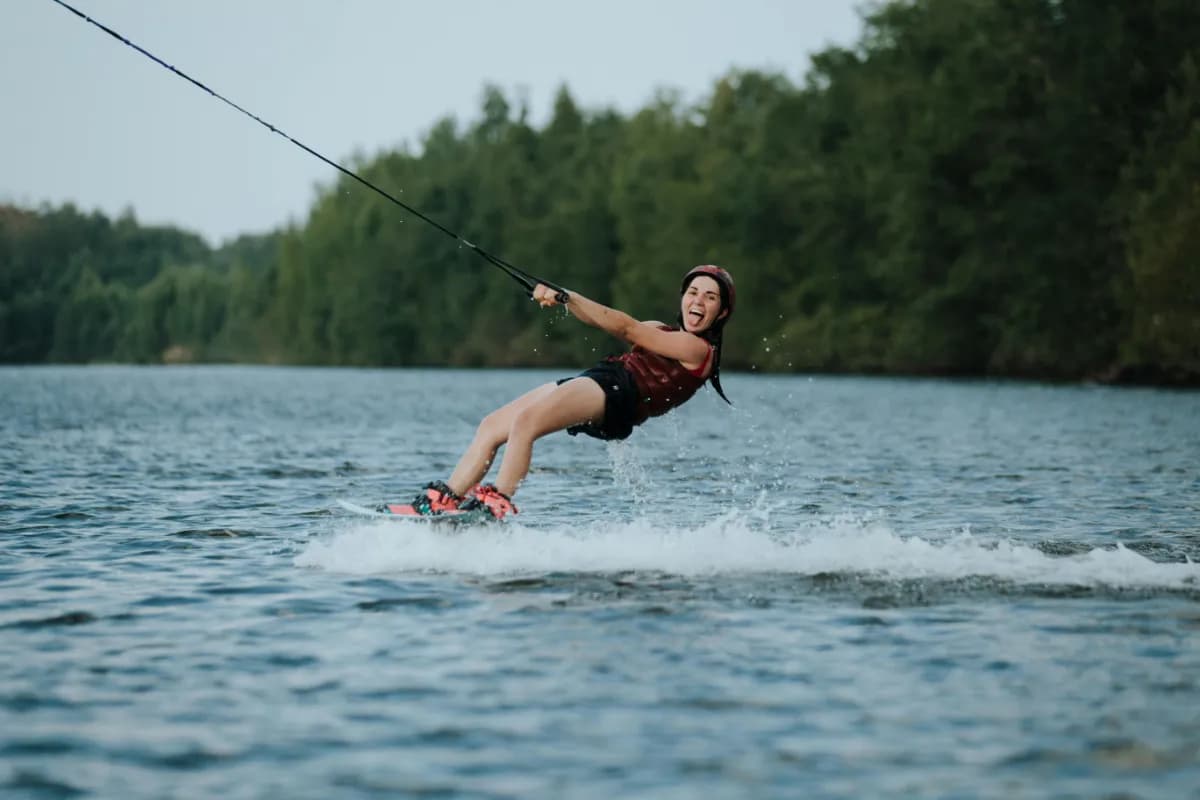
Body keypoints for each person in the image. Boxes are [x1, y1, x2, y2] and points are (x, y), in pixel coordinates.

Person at [394, 265, 736, 520]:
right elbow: (606, 320)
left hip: (618, 395)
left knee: (525, 424)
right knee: (492, 426)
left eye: (710, 297)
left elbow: (624, 325)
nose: (698, 301)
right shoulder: (661, 330)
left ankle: (497, 502)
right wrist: (561, 298)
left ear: (721, 312)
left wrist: (569, 296)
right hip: (603, 381)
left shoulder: (697, 350)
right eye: (693, 292)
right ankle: (444, 501)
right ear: (682, 297)